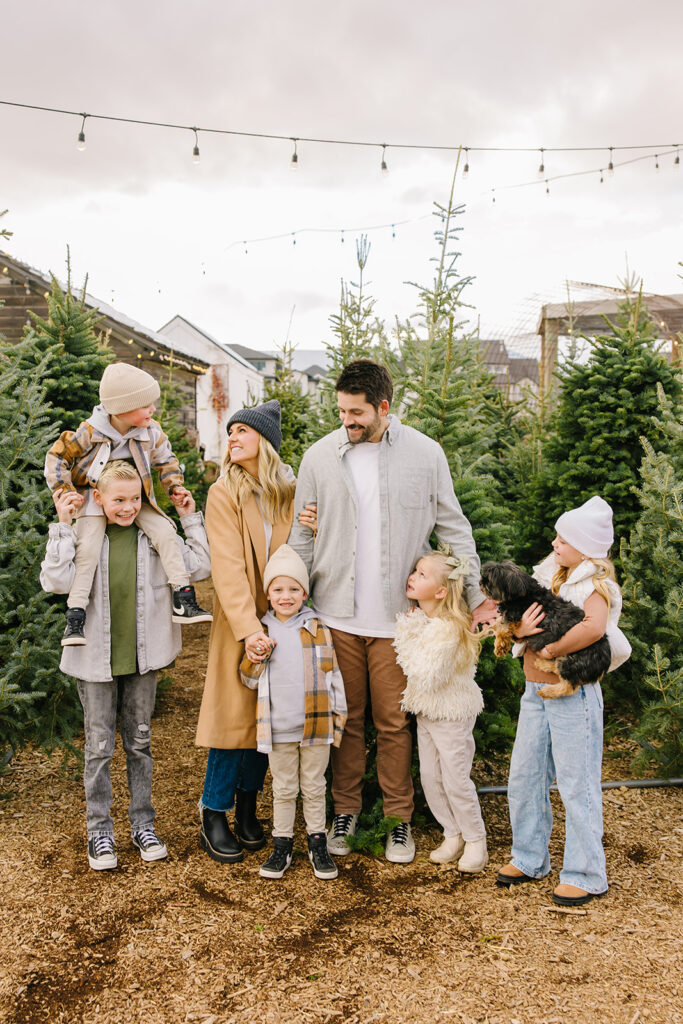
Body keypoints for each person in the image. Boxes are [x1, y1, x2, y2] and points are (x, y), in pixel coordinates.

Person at [288, 359, 497, 864]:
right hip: (336, 614)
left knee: (394, 722)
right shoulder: (318, 457)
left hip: (397, 624)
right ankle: (346, 812)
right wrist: (289, 602)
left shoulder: (426, 455)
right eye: (341, 411)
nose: (347, 421)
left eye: (357, 412)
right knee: (347, 720)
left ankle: (399, 822)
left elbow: (455, 529)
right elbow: (300, 535)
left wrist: (474, 597)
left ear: (384, 407)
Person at [40, 460, 211, 870]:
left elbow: (200, 567)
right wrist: (63, 525)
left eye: (135, 499)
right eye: (118, 500)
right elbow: (55, 582)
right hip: (94, 662)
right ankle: (99, 832)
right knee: (98, 749)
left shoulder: (154, 536)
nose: (127, 507)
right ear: (98, 499)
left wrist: (189, 517)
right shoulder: (85, 533)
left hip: (142, 659)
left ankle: (143, 824)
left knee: (139, 744)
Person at [496, 495, 631, 906]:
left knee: (577, 783)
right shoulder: (549, 575)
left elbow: (593, 627)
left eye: (564, 539)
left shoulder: (594, 585)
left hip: (575, 697)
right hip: (535, 694)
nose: (555, 544)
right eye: (556, 537)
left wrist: (552, 652)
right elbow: (523, 621)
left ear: (587, 549)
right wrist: (518, 632)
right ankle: (530, 856)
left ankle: (586, 872)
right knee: (525, 775)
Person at [196, 399, 315, 864]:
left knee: (269, 717)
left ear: (263, 440)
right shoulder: (223, 491)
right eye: (230, 433)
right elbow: (226, 568)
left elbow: (300, 552)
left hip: (283, 619)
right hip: (241, 621)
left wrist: (315, 526)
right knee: (232, 720)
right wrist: (249, 630)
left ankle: (248, 807)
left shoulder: (288, 491)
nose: (233, 439)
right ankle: (215, 811)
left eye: (242, 431)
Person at [45, 361, 211, 647]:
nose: (153, 410)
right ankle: (75, 616)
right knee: (87, 550)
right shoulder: (89, 432)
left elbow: (167, 461)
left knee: (165, 533)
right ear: (121, 409)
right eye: (146, 405)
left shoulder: (151, 431)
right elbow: (57, 458)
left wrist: (175, 486)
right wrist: (66, 491)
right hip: (97, 498)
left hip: (137, 498)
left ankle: (183, 598)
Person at [238, 544, 347, 881]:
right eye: (278, 589)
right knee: (284, 788)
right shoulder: (261, 633)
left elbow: (334, 675)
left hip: (315, 726)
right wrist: (256, 658)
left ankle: (318, 843)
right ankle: (282, 844)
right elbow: (247, 680)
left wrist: (338, 717)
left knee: (314, 786)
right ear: (268, 594)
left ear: (304, 593)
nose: (286, 596)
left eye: (293, 589)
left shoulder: (317, 629)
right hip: (279, 727)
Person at [393, 548, 488, 872]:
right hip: (428, 713)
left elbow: (426, 675)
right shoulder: (423, 620)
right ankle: (453, 833)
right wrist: (412, 628)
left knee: (456, 779)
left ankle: (476, 840)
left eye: (422, 574)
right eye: (415, 570)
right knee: (431, 778)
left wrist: (406, 635)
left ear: (440, 592)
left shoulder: (449, 628)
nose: (412, 576)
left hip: (452, 714)